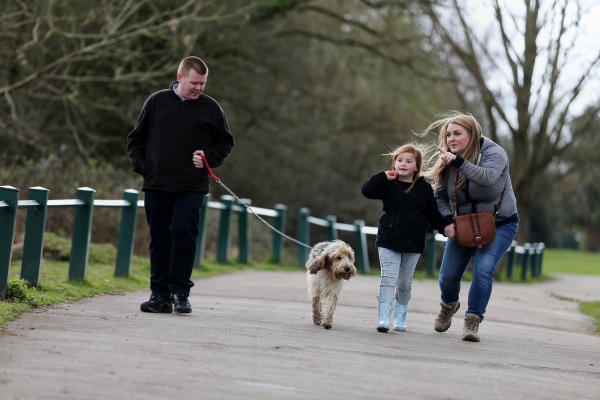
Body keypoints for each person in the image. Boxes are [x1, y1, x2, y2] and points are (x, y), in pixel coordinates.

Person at [127, 56, 234, 314]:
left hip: (191, 186)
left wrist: (208, 157)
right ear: (180, 78)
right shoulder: (156, 102)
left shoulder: (211, 108)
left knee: (184, 233)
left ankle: (181, 293)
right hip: (156, 185)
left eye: (203, 83)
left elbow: (225, 142)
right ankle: (159, 296)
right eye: (194, 83)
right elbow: (135, 139)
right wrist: (144, 166)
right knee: (160, 239)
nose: (199, 88)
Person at [422, 111, 519, 342]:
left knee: (484, 269)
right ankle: (448, 305)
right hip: (464, 224)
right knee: (447, 276)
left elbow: (486, 178)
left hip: (499, 224)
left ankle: (472, 320)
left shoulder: (494, 153)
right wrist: (447, 221)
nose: (451, 139)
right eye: (448, 135)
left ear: (472, 134)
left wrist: (459, 162)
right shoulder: (448, 159)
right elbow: (439, 196)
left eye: (457, 134)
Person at [361, 144, 446, 332]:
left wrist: (447, 228)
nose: (403, 164)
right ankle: (383, 319)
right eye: (399, 160)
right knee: (388, 278)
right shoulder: (387, 184)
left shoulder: (424, 188)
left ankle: (400, 317)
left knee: (404, 283)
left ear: (416, 166)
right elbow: (366, 191)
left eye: (408, 161)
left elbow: (433, 214)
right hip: (388, 239)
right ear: (394, 164)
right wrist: (382, 176)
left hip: (413, 242)